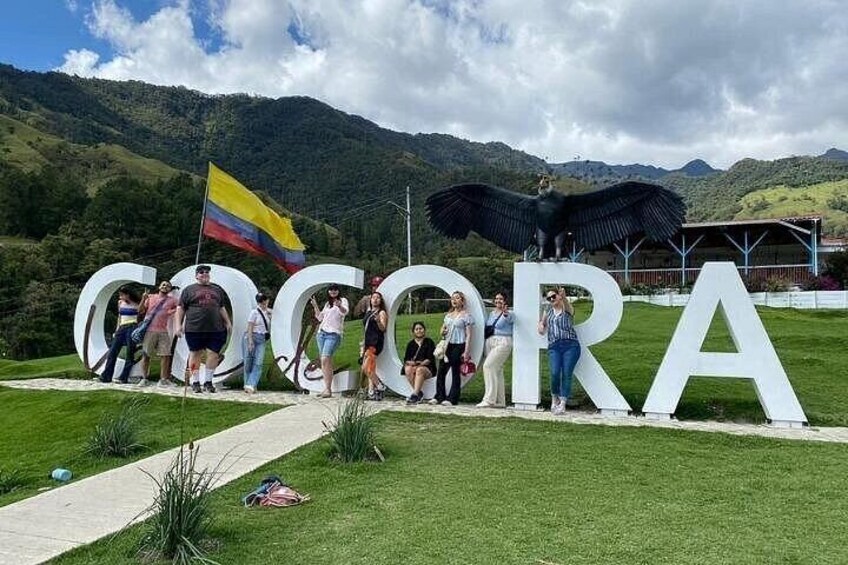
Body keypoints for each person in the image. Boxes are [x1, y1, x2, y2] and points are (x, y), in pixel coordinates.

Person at [174, 264, 232, 393]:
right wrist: (178, 325)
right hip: (194, 328)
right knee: (195, 354)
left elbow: (221, 307)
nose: (204, 273)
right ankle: (195, 382)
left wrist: (228, 322)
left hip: (216, 328)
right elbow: (180, 308)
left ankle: (208, 382)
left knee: (213, 354)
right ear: (196, 276)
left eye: (207, 272)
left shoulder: (217, 290)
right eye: (201, 272)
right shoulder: (189, 290)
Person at [537, 287, 580, 415]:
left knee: (566, 373)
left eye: (553, 296)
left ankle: (562, 403)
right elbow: (542, 324)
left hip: (570, 345)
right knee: (555, 372)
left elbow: (570, 310)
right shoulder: (548, 311)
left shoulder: (567, 309)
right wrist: (541, 326)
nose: (551, 299)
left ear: (559, 296)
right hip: (554, 346)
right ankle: (554, 397)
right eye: (549, 298)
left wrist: (564, 297)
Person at [431, 290, 474, 406]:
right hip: (447, 345)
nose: (454, 300)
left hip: (459, 344)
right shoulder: (448, 316)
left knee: (455, 370)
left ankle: (452, 398)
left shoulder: (466, 316)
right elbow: (442, 330)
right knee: (441, 370)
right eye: (452, 298)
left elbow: (469, 335)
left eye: (457, 298)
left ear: (462, 301)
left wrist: (466, 351)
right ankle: (439, 396)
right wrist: (442, 331)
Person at [309, 283, 349, 398]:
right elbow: (320, 318)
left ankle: (327, 389)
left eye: (335, 289)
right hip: (321, 334)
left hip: (333, 334)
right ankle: (327, 389)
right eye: (331, 289)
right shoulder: (327, 304)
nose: (333, 291)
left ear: (338, 291)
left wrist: (339, 306)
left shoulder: (343, 300)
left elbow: (344, 312)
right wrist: (315, 305)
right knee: (325, 361)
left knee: (325, 358)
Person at [138, 280, 179, 387]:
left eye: (168, 286)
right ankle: (144, 378)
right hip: (149, 330)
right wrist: (143, 298)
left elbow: (180, 307)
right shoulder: (151, 297)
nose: (165, 286)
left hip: (163, 331)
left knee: (166, 355)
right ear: (159, 287)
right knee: (146, 355)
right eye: (163, 284)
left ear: (170, 289)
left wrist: (171, 311)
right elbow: (140, 311)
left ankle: (163, 379)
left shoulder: (172, 300)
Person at [478, 291, 514, 408]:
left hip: (503, 342)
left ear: (505, 301)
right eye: (496, 298)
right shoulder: (492, 313)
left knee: (488, 366)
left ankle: (489, 399)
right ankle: (500, 400)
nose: (498, 301)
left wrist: (505, 313)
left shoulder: (509, 313)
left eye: (501, 299)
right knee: (497, 370)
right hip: (490, 341)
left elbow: (508, 319)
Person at [99, 286, 141, 383]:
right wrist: (117, 329)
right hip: (122, 327)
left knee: (130, 353)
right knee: (112, 352)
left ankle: (123, 377)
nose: (120, 297)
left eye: (122, 295)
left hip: (132, 326)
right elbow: (120, 316)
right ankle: (106, 376)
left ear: (128, 295)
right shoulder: (120, 303)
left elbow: (140, 313)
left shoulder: (137, 303)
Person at [242, 292, 272, 394]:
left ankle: (251, 384)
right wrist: (250, 341)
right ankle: (248, 384)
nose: (263, 303)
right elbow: (250, 326)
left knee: (258, 362)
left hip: (261, 338)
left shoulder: (267, 312)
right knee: (248, 361)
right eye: (261, 301)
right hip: (252, 336)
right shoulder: (254, 312)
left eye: (264, 301)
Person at [361, 291, 388, 400]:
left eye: (378, 298)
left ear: (381, 301)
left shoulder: (381, 313)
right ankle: (371, 391)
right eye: (373, 298)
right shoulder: (369, 312)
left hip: (375, 342)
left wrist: (378, 322)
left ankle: (380, 386)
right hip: (367, 342)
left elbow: (383, 328)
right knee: (370, 367)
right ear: (370, 300)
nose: (375, 299)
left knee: (366, 368)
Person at [402, 321, 436, 404]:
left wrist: (419, 364)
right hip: (413, 366)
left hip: (427, 368)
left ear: (424, 330)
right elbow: (406, 359)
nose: (419, 331)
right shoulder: (410, 344)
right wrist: (411, 363)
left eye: (420, 328)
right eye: (416, 329)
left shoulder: (429, 342)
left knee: (419, 370)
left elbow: (429, 359)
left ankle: (415, 395)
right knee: (408, 369)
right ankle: (418, 393)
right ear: (413, 331)